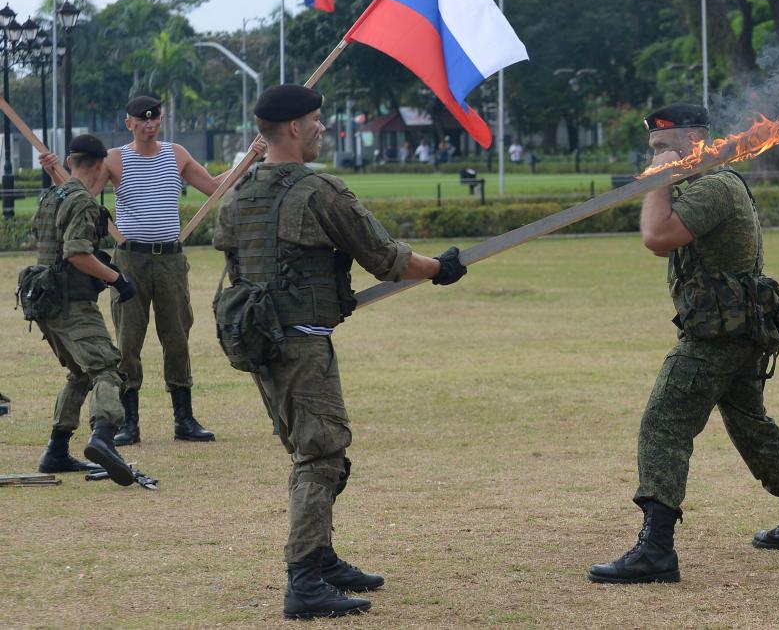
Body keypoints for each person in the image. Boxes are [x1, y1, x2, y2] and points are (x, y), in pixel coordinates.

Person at [213, 84, 467, 620]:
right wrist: (439, 269)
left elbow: (238, 266)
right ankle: (304, 579)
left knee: (317, 450)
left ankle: (322, 559)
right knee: (320, 455)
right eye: (316, 121)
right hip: (301, 342)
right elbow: (382, 255)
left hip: (259, 340)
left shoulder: (239, 194)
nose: (323, 128)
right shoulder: (317, 190)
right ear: (295, 129)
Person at [588, 103, 779, 585]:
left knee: (664, 423)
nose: (653, 157)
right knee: (751, 424)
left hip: (717, 335)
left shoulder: (714, 186)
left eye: (663, 148)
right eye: (651, 148)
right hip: (737, 329)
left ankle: (656, 550)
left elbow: (657, 237)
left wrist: (657, 179)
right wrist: (664, 176)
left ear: (693, 142)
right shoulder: (706, 184)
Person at [43, 95, 266, 447]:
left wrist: (251, 157)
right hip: (130, 259)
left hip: (170, 259)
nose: (150, 125)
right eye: (142, 120)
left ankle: (184, 418)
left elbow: (213, 187)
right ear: (128, 122)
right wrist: (56, 170)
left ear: (161, 119)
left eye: (155, 119)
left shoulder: (175, 154)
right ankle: (128, 422)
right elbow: (83, 194)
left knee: (176, 335)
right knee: (129, 339)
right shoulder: (115, 158)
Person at [29, 136, 139, 486]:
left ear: (71, 160)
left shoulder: (52, 195)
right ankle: (103, 438)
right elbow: (76, 253)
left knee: (79, 373)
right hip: (72, 303)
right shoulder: (82, 202)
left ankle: (56, 450)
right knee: (108, 369)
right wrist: (117, 279)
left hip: (45, 302)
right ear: (97, 164)